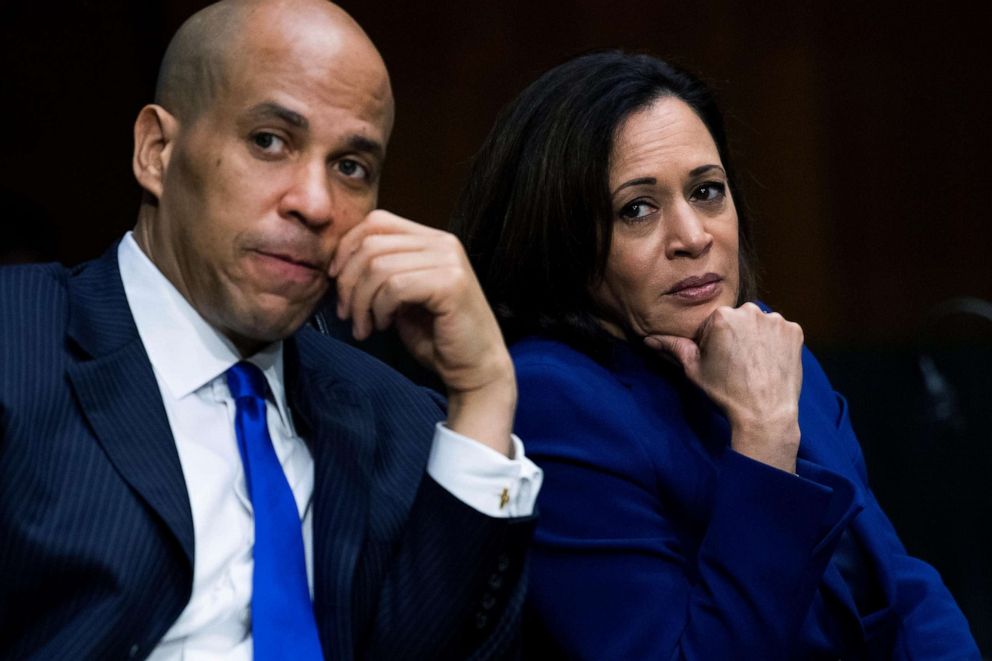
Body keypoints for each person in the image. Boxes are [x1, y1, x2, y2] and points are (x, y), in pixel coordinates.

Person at [0, 1, 542, 659]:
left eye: (351, 167)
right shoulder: (18, 341)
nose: (315, 204)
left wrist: (484, 390)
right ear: (157, 151)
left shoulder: (394, 422)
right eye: (269, 141)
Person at [453, 51, 979, 659]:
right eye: (637, 209)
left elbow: (898, 585)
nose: (694, 237)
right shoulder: (551, 400)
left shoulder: (765, 347)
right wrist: (763, 435)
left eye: (706, 191)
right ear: (559, 239)